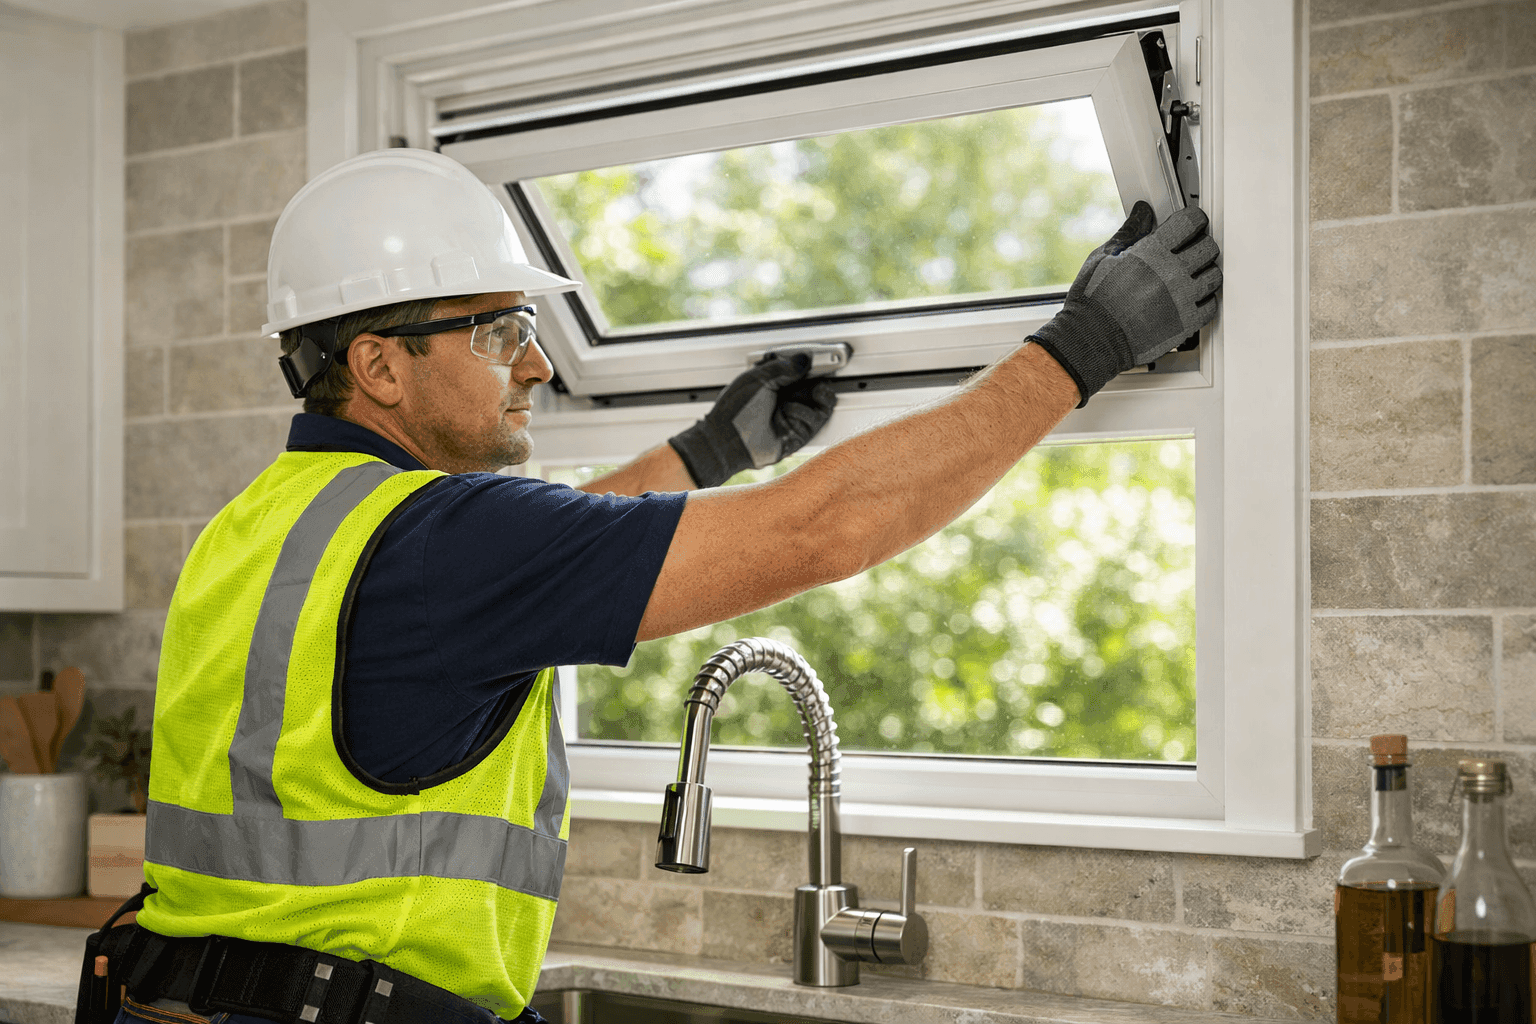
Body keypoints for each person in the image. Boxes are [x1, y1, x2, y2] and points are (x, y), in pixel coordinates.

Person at [89, 148, 1219, 1024]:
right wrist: (1084, 345)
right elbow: (826, 528)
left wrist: (705, 455)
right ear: (380, 363)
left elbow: (537, 555)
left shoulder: (263, 522)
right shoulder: (444, 542)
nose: (534, 363)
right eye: (496, 331)